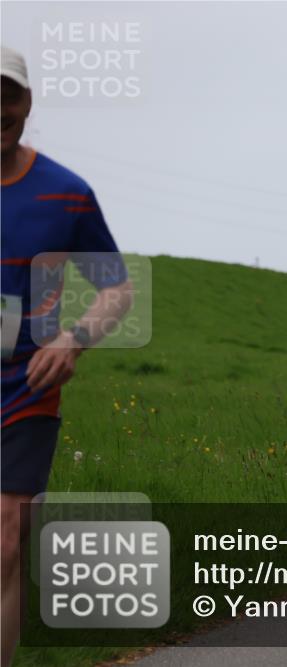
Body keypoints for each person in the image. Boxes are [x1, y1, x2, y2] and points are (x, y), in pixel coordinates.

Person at [1, 47, 133, 667]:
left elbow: (118, 287)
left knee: (6, 543)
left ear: (28, 103)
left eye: (9, 94)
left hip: (25, 387)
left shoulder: (66, 193)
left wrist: (73, 338)